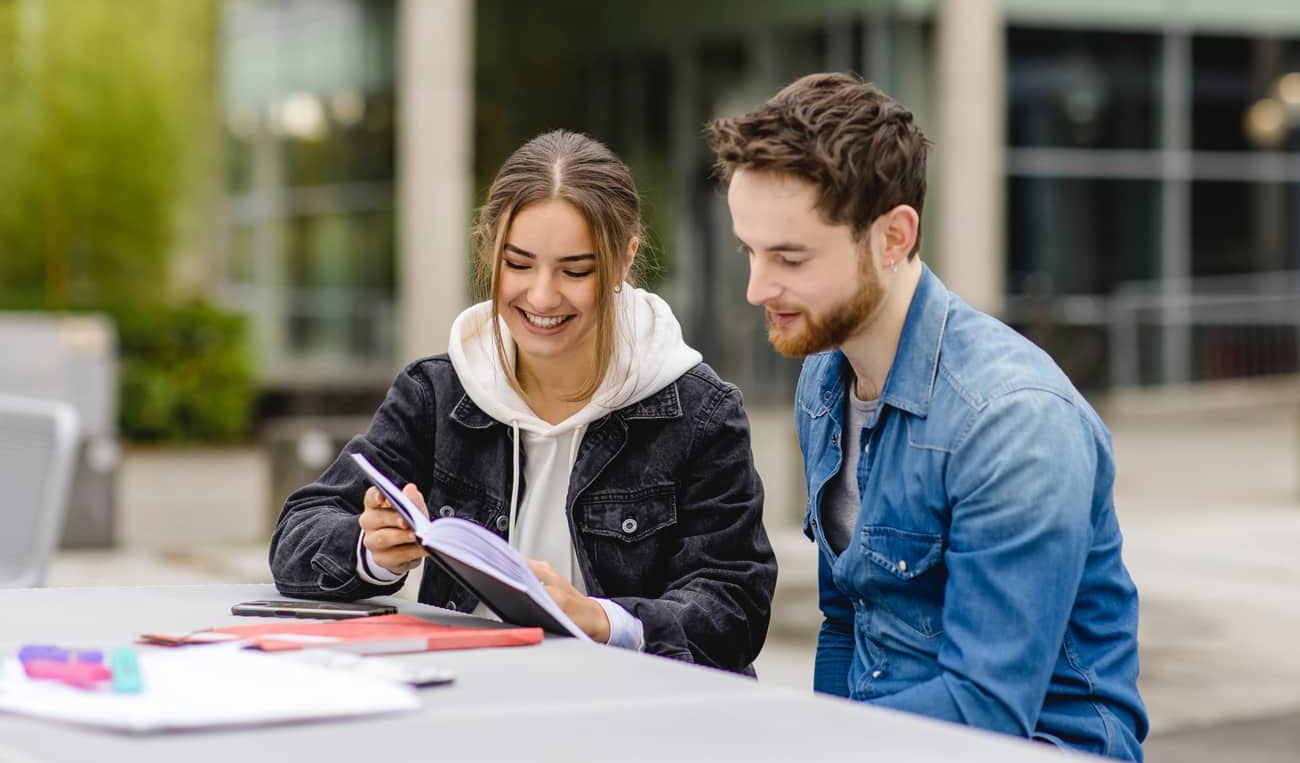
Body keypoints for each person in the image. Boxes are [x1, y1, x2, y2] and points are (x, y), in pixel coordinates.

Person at [708, 74, 1148, 756]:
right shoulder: (825, 378)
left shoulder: (1013, 422)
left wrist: (803, 743)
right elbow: (846, 619)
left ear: (893, 236)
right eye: (750, 251)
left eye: (789, 257)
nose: (757, 287)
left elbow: (986, 709)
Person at [269, 130, 776, 672]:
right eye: (519, 264)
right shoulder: (439, 393)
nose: (540, 296)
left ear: (626, 257)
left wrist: (601, 619)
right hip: (472, 706)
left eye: (575, 270)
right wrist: (372, 551)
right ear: (491, 250)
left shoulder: (697, 411)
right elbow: (299, 532)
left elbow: (735, 608)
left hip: (633, 722)